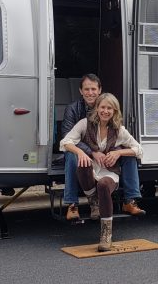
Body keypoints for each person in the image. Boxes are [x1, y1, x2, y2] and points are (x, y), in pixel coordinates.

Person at [60, 93, 143, 251]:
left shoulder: (119, 130)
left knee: (104, 185)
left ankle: (106, 234)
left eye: (109, 108)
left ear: (114, 111)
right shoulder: (84, 123)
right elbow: (65, 142)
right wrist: (81, 152)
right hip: (90, 170)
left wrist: (118, 153)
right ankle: (94, 201)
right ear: (97, 108)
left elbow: (139, 149)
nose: (105, 111)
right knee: (83, 163)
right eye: (102, 107)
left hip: (109, 172)